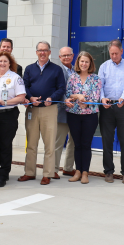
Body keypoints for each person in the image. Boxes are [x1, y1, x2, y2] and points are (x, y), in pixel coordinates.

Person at [19, 41, 66, 185]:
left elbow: (61, 88)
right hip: (32, 109)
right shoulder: (29, 69)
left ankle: (48, 174)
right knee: (31, 143)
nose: (43, 53)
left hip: (49, 109)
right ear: (36, 52)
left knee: (49, 144)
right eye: (40, 50)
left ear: (50, 52)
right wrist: (30, 98)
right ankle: (30, 172)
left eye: (45, 50)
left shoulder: (56, 69)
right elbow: (24, 86)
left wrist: (53, 98)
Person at [0, 52, 26, 187]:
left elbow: (21, 97)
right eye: (0, 61)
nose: (2, 64)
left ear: (10, 64)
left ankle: (3, 175)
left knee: (5, 146)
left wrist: (6, 102)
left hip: (8, 115)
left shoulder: (15, 78)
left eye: (5, 61)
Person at [98, 39, 124, 184]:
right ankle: (108, 171)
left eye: (116, 53)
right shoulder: (104, 66)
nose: (113, 56)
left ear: (122, 52)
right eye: (111, 53)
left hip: (123, 106)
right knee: (107, 140)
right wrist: (102, 99)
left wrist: (123, 97)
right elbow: (99, 85)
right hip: (107, 107)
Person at [64, 51, 102, 184]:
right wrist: (77, 97)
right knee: (77, 144)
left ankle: (85, 172)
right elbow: (68, 93)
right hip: (73, 114)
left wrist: (85, 103)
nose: (84, 64)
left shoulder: (96, 79)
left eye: (86, 61)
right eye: (82, 61)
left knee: (86, 144)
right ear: (78, 63)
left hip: (89, 116)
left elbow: (96, 96)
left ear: (90, 63)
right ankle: (78, 171)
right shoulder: (72, 77)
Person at [55, 46, 76, 178]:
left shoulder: (77, 70)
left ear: (73, 56)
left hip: (75, 111)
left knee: (73, 142)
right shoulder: (57, 70)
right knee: (58, 142)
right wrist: (64, 100)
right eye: (64, 55)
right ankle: (53, 169)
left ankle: (68, 168)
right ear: (60, 57)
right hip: (62, 111)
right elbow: (58, 89)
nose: (67, 57)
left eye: (69, 55)